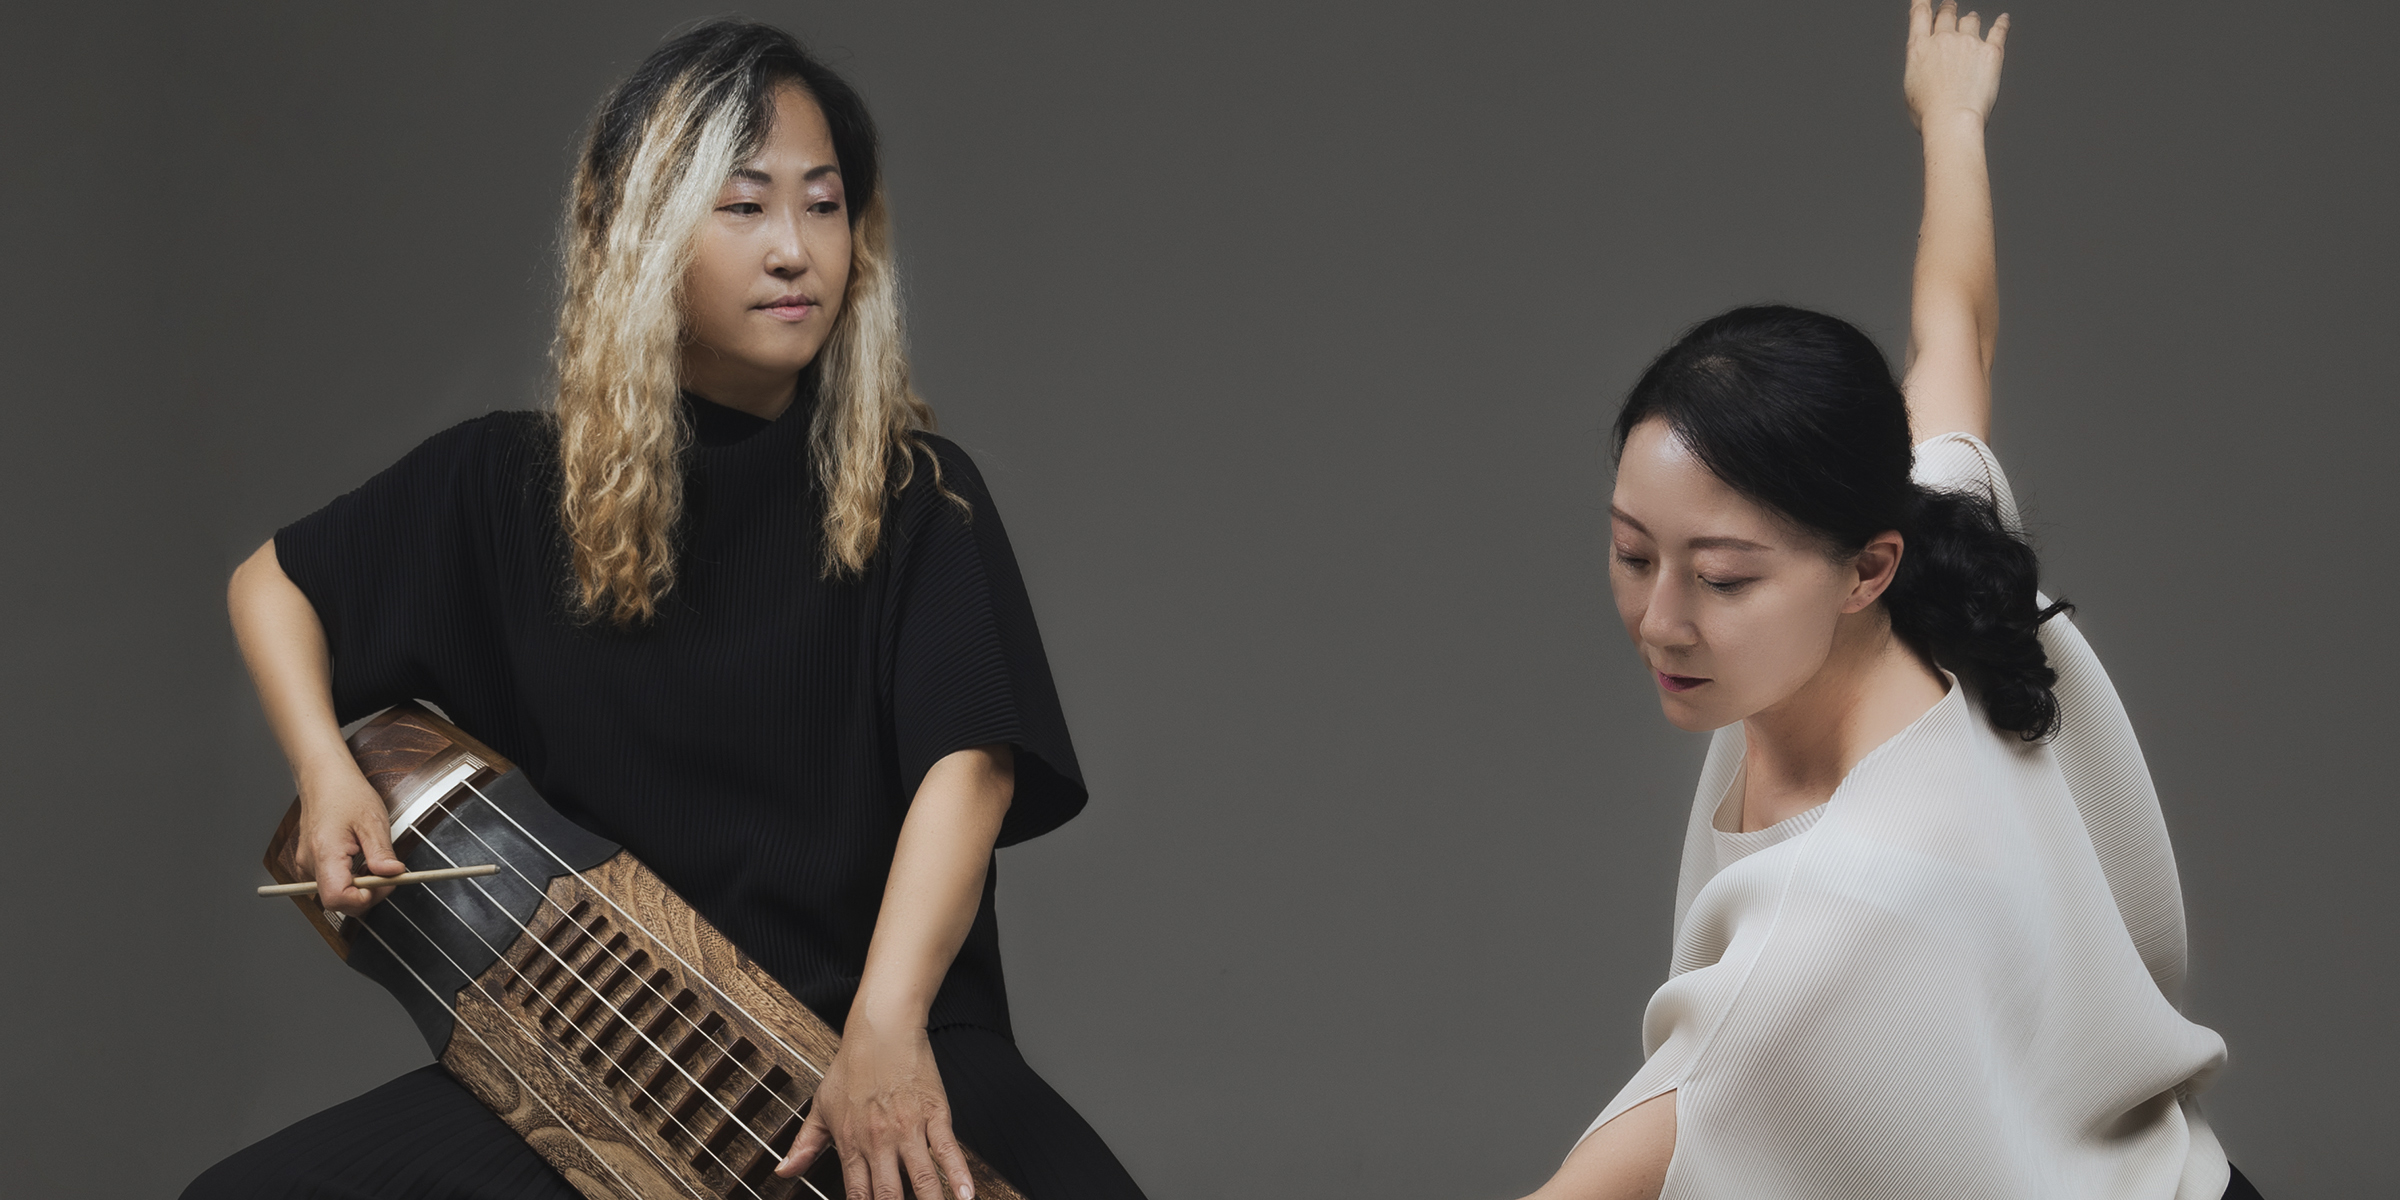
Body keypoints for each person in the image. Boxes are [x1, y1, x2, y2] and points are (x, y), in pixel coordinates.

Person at [185, 19, 1146, 1200]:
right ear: (636, 234)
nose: (794, 250)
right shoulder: (506, 484)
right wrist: (325, 768)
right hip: (602, 1059)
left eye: (824, 205)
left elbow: (974, 764)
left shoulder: (917, 494)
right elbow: (273, 584)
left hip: (879, 1036)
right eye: (742, 207)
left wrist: (885, 1032)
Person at [1519, 5, 2258, 1198]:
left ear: (1867, 568)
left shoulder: (1841, 914)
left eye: (1723, 578)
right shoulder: (1930, 529)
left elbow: (1600, 1180)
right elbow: (1954, 325)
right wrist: (1953, 119)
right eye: (1631, 553)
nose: (1661, 620)